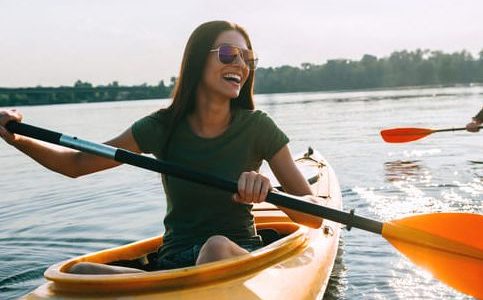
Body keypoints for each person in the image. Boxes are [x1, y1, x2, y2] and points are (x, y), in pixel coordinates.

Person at [0, 20, 321, 274]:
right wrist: (16, 137)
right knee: (81, 271)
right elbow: (76, 164)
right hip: (172, 264)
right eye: (227, 54)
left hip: (234, 258)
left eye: (247, 58)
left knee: (215, 248)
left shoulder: (258, 127)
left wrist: (269, 193)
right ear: (197, 61)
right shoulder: (160, 128)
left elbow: (314, 216)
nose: (240, 64)